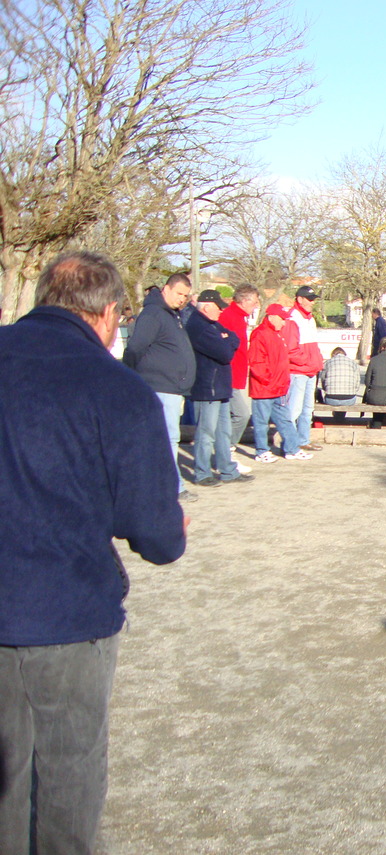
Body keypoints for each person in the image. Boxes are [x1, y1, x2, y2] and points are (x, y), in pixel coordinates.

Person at [0, 251, 186, 855]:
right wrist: (170, 524)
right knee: (68, 769)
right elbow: (156, 535)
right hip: (67, 607)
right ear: (108, 314)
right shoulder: (118, 390)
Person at [122, 272, 196, 501]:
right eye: (179, 293)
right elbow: (135, 348)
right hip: (159, 386)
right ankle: (172, 487)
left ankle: (164, 485)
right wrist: (130, 377)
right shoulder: (154, 314)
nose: (182, 299)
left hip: (171, 386)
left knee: (166, 437)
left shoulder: (170, 314)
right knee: (168, 438)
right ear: (166, 289)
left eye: (185, 296)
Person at [187, 290, 250, 488]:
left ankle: (227, 470)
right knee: (206, 432)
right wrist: (225, 340)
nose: (221, 311)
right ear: (206, 307)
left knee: (223, 431)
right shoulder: (198, 325)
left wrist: (225, 338)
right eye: (218, 307)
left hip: (220, 386)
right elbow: (225, 353)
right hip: (207, 387)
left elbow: (234, 339)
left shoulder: (212, 324)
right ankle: (202, 473)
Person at [249, 304, 307, 461]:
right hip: (264, 388)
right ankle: (262, 451)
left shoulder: (277, 335)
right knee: (261, 422)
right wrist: (268, 380)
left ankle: (292, 449)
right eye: (282, 319)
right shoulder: (260, 334)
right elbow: (256, 362)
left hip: (278, 387)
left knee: (285, 420)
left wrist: (281, 381)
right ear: (271, 317)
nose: (284, 322)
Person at [218, 284, 260, 466]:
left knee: (231, 416)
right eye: (254, 302)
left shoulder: (239, 317)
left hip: (236, 374)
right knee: (241, 414)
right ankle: (226, 450)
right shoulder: (228, 317)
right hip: (229, 374)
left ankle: (225, 452)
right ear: (244, 300)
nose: (256, 306)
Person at [284, 285, 324, 452]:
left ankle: (303, 440)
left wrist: (317, 361)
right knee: (294, 410)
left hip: (310, 370)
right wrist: (307, 362)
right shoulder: (292, 318)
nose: (312, 302)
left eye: (313, 299)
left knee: (307, 409)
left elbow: (313, 345)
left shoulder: (310, 319)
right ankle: (289, 444)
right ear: (299, 299)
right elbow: (290, 350)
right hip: (298, 371)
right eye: (309, 299)